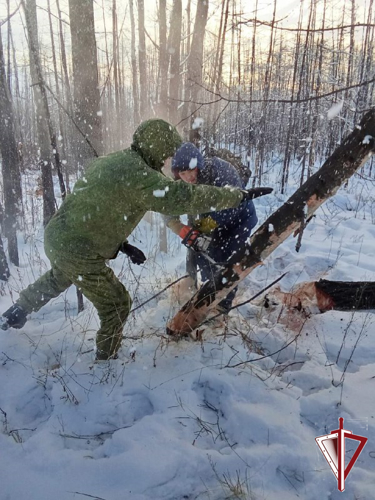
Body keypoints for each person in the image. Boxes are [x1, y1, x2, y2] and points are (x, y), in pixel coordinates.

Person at [0, 119, 260, 360]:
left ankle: (16, 313)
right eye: (167, 154)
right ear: (157, 148)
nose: (167, 161)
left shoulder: (112, 161)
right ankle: (106, 362)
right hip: (80, 248)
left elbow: (98, 211)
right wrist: (237, 196)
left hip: (60, 238)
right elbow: (183, 197)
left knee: (60, 276)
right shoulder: (140, 176)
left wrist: (123, 246)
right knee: (117, 304)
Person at [165, 142, 265, 314]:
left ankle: (221, 307)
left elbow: (231, 207)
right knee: (204, 254)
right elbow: (167, 208)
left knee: (227, 261)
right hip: (211, 221)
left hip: (239, 220)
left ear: (199, 165)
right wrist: (181, 228)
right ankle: (207, 290)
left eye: (191, 170)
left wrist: (201, 229)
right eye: (183, 173)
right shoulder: (181, 184)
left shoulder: (220, 171)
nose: (188, 177)